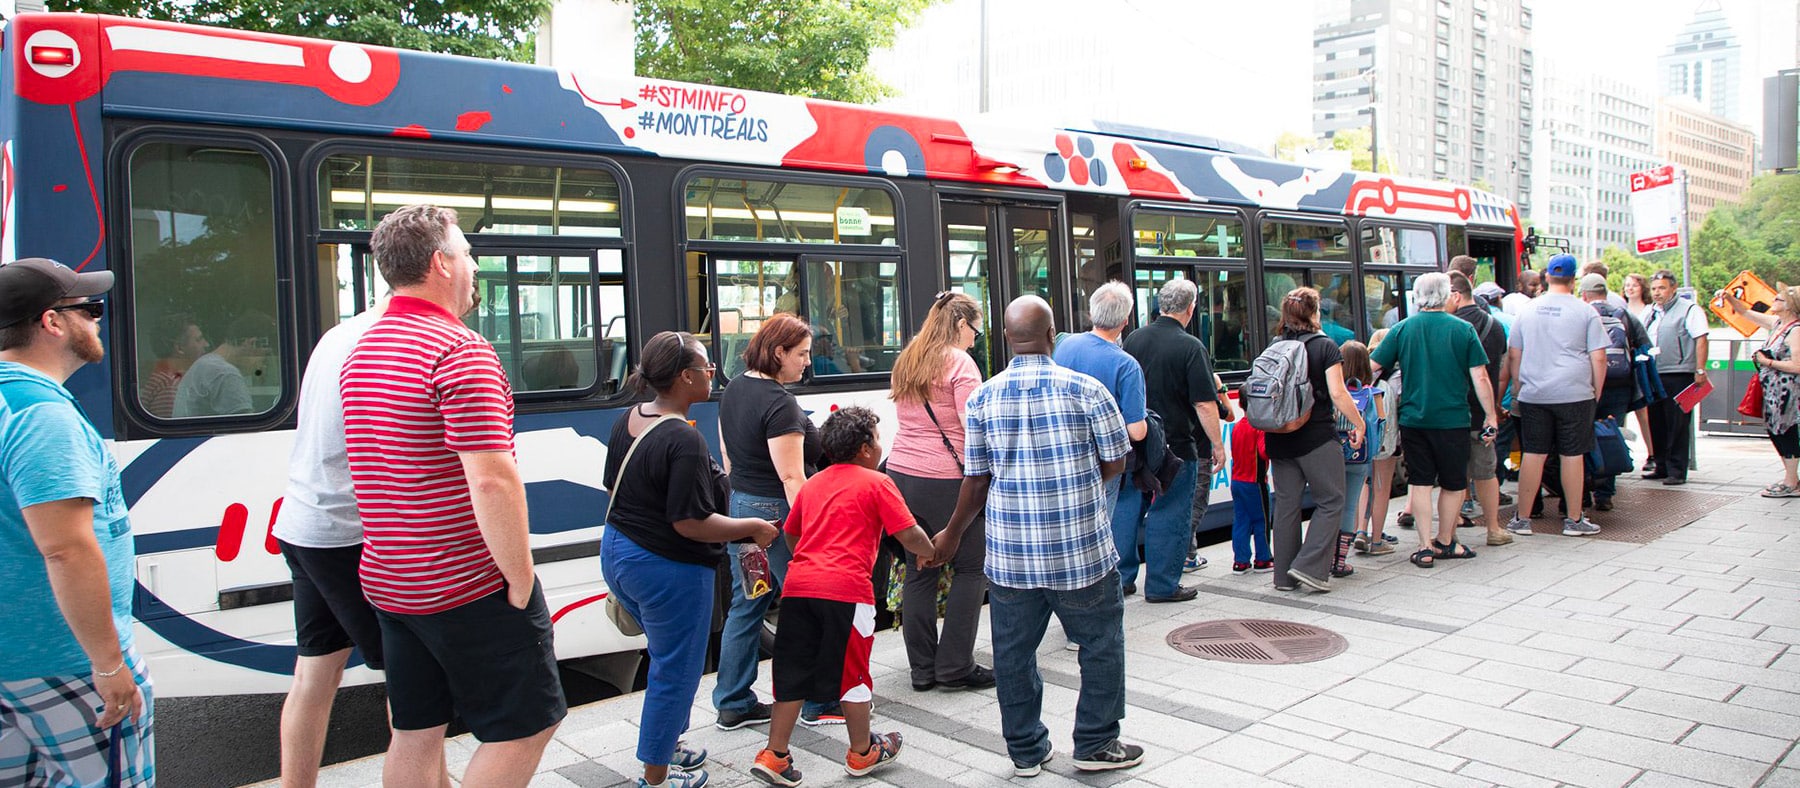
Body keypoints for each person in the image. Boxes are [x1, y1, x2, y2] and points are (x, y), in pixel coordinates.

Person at [341, 205, 564, 788]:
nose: (473, 265)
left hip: (392, 580)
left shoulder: (361, 351)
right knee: (526, 725)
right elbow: (492, 478)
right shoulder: (459, 349)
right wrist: (518, 577)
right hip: (464, 582)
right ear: (440, 263)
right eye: (466, 253)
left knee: (415, 729)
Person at [931, 296, 1142, 776]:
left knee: (1013, 654)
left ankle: (1026, 752)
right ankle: (1095, 744)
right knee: (1102, 645)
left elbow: (976, 479)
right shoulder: (1087, 390)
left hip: (1012, 559)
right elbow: (1116, 461)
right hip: (1082, 552)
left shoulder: (984, 397)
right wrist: (1079, 484)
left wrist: (950, 533)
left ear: (1007, 339)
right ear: (1052, 336)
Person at [0, 258, 154, 786]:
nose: (97, 320)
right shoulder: (40, 415)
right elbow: (65, 549)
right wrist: (110, 667)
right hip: (62, 660)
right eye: (89, 308)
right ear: (52, 323)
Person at [602, 331, 779, 788]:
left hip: (619, 552)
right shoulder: (683, 439)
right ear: (685, 377)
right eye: (706, 367)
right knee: (676, 669)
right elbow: (691, 523)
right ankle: (656, 776)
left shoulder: (631, 417)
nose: (713, 373)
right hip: (666, 567)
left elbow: (614, 488)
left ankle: (669, 744)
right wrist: (751, 528)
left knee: (667, 657)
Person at [752, 408, 934, 786]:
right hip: (847, 591)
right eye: (877, 439)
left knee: (791, 672)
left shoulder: (813, 484)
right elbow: (908, 532)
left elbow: (792, 533)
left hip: (800, 588)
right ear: (866, 448)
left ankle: (775, 755)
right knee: (853, 674)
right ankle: (862, 751)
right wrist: (929, 550)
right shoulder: (877, 483)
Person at [271, 300, 391, 787]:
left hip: (304, 525)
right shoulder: (389, 341)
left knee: (314, 676)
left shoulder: (340, 333)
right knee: (411, 680)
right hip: (350, 535)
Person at [715, 313, 837, 729]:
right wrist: (813, 530)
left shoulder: (733, 389)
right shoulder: (779, 404)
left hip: (744, 509)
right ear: (778, 352)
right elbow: (792, 477)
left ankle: (732, 701)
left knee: (748, 603)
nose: (808, 362)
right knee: (810, 604)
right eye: (802, 354)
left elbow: (729, 460)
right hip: (777, 514)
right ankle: (818, 702)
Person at [887, 291, 994, 692]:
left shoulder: (909, 356)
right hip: (948, 479)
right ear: (961, 324)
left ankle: (922, 670)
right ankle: (954, 665)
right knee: (971, 566)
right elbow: (973, 426)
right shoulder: (960, 362)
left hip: (902, 474)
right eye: (975, 330)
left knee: (920, 566)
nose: (975, 338)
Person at [1370, 273, 1496, 568]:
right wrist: (1490, 415)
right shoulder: (1464, 330)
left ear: (1417, 296)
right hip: (1453, 421)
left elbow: (1372, 364)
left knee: (1421, 482)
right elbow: (1480, 377)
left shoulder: (1402, 329)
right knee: (1453, 484)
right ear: (1447, 295)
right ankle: (1446, 541)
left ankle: (1424, 547)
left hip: (1414, 420)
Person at [1120, 278, 1223, 599]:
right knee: (1171, 511)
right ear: (1191, 309)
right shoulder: (1191, 346)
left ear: (1160, 305)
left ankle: (1122, 578)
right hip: (1177, 447)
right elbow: (1205, 404)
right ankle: (1162, 585)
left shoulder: (1134, 339)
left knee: (1127, 508)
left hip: (1136, 443)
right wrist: (1218, 446)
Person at [1264, 288, 1365, 592]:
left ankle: (1282, 576)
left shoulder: (1276, 345)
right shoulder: (1325, 346)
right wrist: (1358, 422)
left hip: (1279, 436)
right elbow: (1337, 393)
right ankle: (1308, 566)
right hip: (1316, 437)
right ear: (1313, 313)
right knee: (1332, 500)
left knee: (1286, 505)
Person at [1502, 254, 1609, 540]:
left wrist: (1518, 386)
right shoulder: (1586, 312)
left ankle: (1522, 519)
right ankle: (1574, 519)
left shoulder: (1528, 311)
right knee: (1572, 455)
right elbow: (1598, 358)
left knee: (1533, 454)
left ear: (1547, 277)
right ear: (1574, 281)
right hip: (1575, 393)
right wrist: (1596, 392)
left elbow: (1514, 354)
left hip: (1534, 393)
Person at [1716, 284, 1800, 497]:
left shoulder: (1796, 330)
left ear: (1791, 305)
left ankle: (1791, 481)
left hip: (1788, 392)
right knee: (1775, 430)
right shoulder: (1777, 323)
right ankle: (1791, 478)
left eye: (1779, 300)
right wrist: (1729, 298)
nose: (1774, 301)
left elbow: (1797, 366)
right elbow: (1745, 313)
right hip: (1773, 390)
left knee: (1785, 431)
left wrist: (1767, 362)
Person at [1449, 272, 1512, 545]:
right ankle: (1494, 528)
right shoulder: (1495, 326)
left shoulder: (1449, 327)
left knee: (1453, 473)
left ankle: (1450, 528)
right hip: (1482, 411)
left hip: (1452, 412)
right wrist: (1495, 407)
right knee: (1486, 473)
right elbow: (1497, 372)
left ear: (1455, 294)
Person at [1579, 274, 1650, 512]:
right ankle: (1605, 493)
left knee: (1580, 438)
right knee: (1612, 436)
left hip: (1586, 385)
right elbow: (1644, 346)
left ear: (1585, 294)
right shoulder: (1624, 315)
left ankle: (1581, 492)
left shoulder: (1582, 314)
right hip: (1619, 386)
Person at [1643, 269, 1710, 486]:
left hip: (1679, 372)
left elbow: (1701, 339)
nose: (1657, 293)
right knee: (1657, 420)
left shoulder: (1689, 309)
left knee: (1677, 422)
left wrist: (1699, 369)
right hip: (1654, 372)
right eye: (1654, 289)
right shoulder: (1650, 312)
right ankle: (1661, 465)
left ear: (1673, 288)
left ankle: (1677, 469)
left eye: (1661, 288)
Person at [172, 311, 273, 418]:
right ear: (252, 343)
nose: (263, 365)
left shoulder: (205, 364)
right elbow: (246, 427)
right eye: (265, 356)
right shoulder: (225, 373)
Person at [1333, 340, 1378, 577]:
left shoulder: (1334, 392)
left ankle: (1326, 555)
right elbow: (1381, 426)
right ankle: (1340, 561)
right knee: (1350, 506)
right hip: (1359, 458)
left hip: (1333, 455)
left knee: (1329, 506)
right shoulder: (1371, 394)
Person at [1356, 329, 1401, 557]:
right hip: (1385, 440)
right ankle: (1376, 540)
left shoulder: (1360, 371)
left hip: (1362, 438)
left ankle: (1360, 532)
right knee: (1382, 487)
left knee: (1363, 485)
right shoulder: (1395, 374)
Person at [1226, 393, 1273, 573]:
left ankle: (1241, 560)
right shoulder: (1259, 428)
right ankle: (1263, 558)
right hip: (1255, 482)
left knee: (1241, 521)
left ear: (1240, 404)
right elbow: (1263, 452)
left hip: (1237, 481)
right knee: (1261, 520)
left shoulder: (1237, 426)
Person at [139, 316, 207, 418]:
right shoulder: (169, 387)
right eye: (198, 340)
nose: (206, 344)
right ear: (180, 348)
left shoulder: (171, 378)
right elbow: (177, 431)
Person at [1621, 272, 1656, 465]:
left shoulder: (1650, 311)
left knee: (1643, 411)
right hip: (1624, 366)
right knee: (1620, 413)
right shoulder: (1620, 308)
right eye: (1627, 285)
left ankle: (1651, 453)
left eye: (1634, 285)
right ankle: (1622, 452)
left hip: (1640, 365)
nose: (1630, 288)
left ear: (1642, 288)